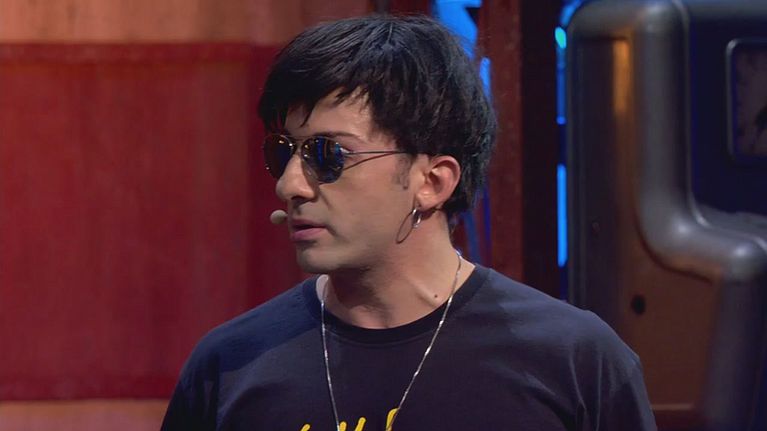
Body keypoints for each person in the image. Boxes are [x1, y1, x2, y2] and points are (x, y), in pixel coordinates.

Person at [161, 14, 656, 431]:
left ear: (433, 182)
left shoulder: (574, 363)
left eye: (327, 154)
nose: (290, 185)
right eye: (283, 153)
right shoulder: (230, 366)